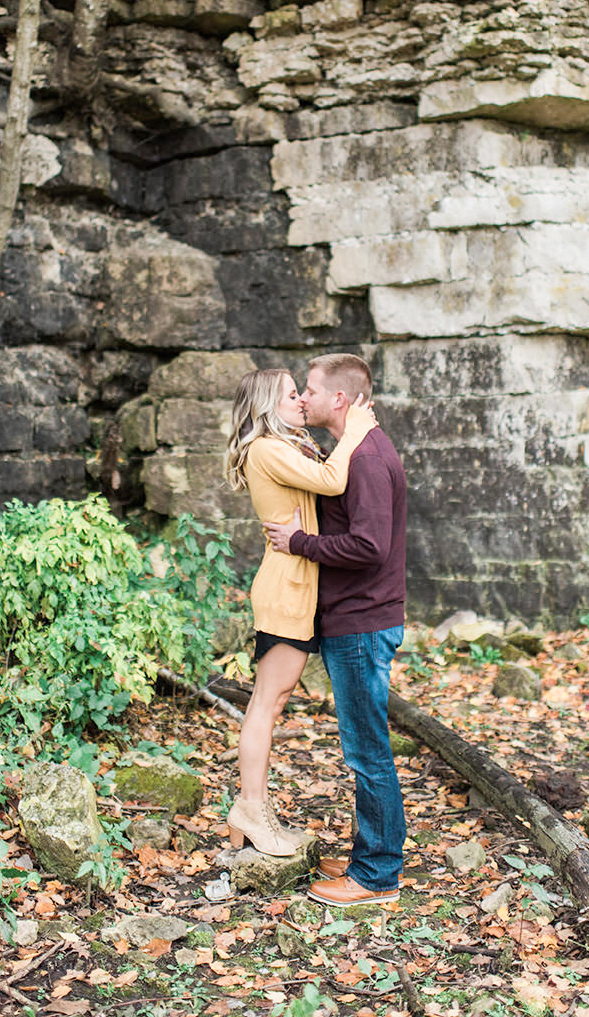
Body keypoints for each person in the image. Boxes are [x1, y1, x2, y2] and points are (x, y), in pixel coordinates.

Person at [263, 353, 407, 905]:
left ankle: (375, 876)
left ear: (339, 400)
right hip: (356, 618)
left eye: (310, 390)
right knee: (365, 749)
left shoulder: (367, 458)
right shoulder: (354, 452)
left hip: (362, 622)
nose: (303, 397)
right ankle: (372, 856)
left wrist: (299, 544)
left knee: (367, 752)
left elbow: (370, 546)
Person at [224, 367, 376, 856]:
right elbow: (333, 482)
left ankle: (256, 813)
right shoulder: (267, 449)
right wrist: (355, 431)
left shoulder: (283, 446)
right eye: (293, 395)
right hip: (285, 588)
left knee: (274, 701)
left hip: (296, 586)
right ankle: (250, 808)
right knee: (266, 705)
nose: (300, 401)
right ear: (271, 404)